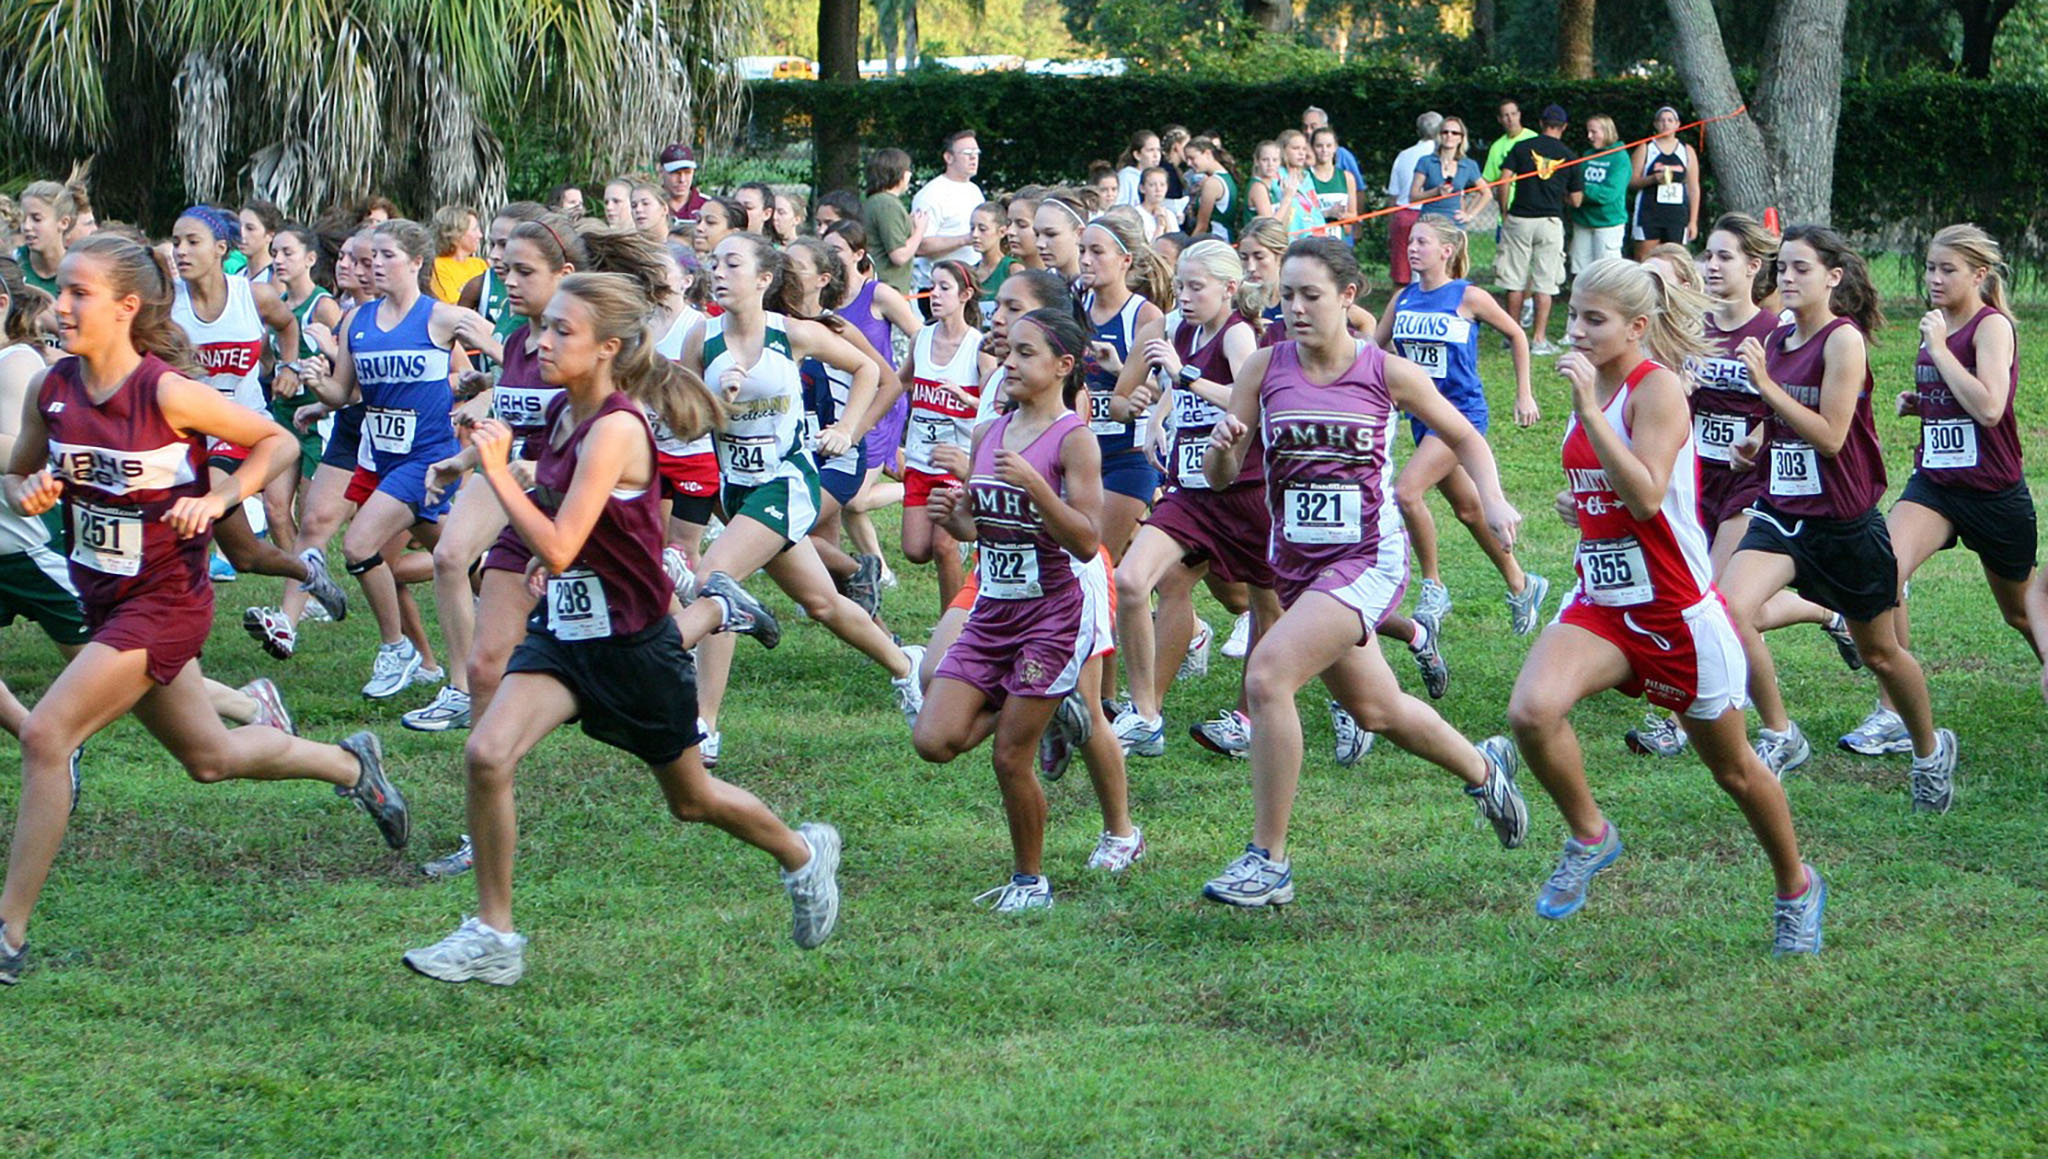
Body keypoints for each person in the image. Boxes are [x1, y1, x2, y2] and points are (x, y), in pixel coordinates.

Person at [402, 271, 839, 985]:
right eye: (545, 329)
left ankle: (802, 852)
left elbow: (560, 540)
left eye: (561, 332)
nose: (542, 341)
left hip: (634, 645)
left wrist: (497, 471)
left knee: (691, 799)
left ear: (608, 347)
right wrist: (550, 553)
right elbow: (574, 529)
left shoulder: (615, 426)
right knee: (487, 752)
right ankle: (495, 934)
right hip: (567, 634)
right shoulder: (569, 416)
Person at [0, 234, 409, 985]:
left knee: (46, 736)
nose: (58, 305)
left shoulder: (165, 391)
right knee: (210, 759)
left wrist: (220, 495)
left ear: (127, 306)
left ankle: (8, 933)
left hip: (164, 603)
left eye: (77, 293)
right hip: (105, 599)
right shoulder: (51, 388)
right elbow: (21, 465)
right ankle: (352, 765)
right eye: (60, 292)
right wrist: (27, 488)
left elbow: (277, 441)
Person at [1508, 256, 1826, 955]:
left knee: (1736, 768)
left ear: (1638, 327)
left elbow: (1649, 494)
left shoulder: (1656, 392)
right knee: (1531, 711)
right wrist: (1579, 503)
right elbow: (1608, 489)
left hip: (1675, 611)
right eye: (1574, 316)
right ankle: (1592, 835)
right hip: (1603, 601)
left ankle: (1796, 885)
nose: (1578, 331)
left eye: (1595, 319)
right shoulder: (1595, 382)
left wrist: (1591, 411)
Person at [1198, 238, 1527, 908]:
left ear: (1349, 297)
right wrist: (1222, 454)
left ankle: (1270, 860)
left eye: (1310, 294)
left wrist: (1492, 497)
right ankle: (1483, 767)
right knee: (1377, 708)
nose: (1294, 307)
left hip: (1366, 559)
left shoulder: (1386, 372)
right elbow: (1222, 474)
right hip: (1296, 564)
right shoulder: (1263, 368)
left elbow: (1463, 433)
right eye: (1286, 295)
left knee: (1266, 675)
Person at [1720, 225, 1957, 809]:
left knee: (1880, 653)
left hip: (1844, 522)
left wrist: (1766, 391)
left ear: (1833, 277)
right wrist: (1754, 440)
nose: (1788, 278)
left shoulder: (1841, 341)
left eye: (1802, 268)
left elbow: (1829, 436)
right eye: (1783, 268)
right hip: (1780, 514)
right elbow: (1781, 417)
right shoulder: (1776, 339)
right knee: (1727, 613)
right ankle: (1781, 733)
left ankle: (1929, 749)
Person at [912, 306, 1140, 911]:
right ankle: (1045, 703)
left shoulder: (1074, 439)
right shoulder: (989, 433)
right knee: (933, 740)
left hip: (1053, 614)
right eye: (1008, 351)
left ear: (1063, 366)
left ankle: (1028, 880)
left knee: (1010, 755)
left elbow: (1089, 540)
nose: (1008, 363)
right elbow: (981, 530)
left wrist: (1038, 489)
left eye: (1025, 353)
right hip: (995, 609)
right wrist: (954, 516)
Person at [673, 233, 927, 751]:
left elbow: (868, 371)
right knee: (822, 604)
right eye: (714, 263)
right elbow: (684, 422)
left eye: (732, 263)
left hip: (788, 483)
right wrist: (713, 403)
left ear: (764, 280)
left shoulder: (790, 332)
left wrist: (847, 432)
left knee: (714, 580)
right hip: (736, 491)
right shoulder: (702, 338)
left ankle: (703, 726)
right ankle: (908, 666)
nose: (718, 272)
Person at [1624, 214, 1860, 758]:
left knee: (1707, 604)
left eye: (1724, 256)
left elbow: (1795, 403)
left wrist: (1756, 434)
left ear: (1755, 267)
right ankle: (1828, 612)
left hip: (1753, 484)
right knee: (1719, 606)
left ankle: (1686, 722)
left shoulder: (1774, 331)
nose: (1711, 265)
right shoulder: (1693, 329)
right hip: (1698, 480)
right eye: (1707, 255)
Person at [1843, 225, 2033, 757]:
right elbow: (1960, 401)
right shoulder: (1940, 325)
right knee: (1883, 571)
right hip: (1935, 485)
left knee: (2020, 612)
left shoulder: (1989, 327)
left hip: (1992, 492)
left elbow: (1991, 407)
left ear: (1979, 274)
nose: (1934, 278)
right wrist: (1921, 403)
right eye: (1930, 267)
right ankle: (1894, 714)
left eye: (1946, 269)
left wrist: (1939, 350)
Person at [301, 218, 491, 699]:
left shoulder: (442, 318)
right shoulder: (357, 323)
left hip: (428, 459)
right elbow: (343, 393)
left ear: (415, 262)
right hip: (383, 457)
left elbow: (514, 359)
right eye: (369, 259)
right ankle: (525, 609)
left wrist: (484, 394)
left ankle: (396, 648)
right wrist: (313, 381)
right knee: (456, 556)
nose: (375, 267)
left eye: (386, 257)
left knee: (359, 546)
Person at [1105, 240, 1275, 759]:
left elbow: (1252, 398)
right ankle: (1145, 714)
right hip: (1190, 492)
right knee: (1134, 581)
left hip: (1246, 491)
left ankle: (1249, 720)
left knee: (1268, 607)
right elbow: (1120, 404)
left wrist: (1185, 376)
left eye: (1196, 287)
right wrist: (1139, 406)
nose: (1184, 296)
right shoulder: (1173, 333)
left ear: (1228, 288)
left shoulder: (1236, 334)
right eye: (1179, 285)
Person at [168, 206, 354, 609]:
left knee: (198, 508)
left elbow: (288, 325)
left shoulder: (253, 295)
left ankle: (175, 612)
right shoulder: (167, 303)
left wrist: (287, 365)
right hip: (187, 433)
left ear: (221, 249)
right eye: (177, 242)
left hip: (243, 428)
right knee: (246, 555)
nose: (181, 250)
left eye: (192, 242)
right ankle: (308, 572)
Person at [1378, 216, 1547, 638]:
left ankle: (1433, 585)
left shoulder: (1467, 295)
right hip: (1422, 419)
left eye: (1422, 242)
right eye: (1410, 242)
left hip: (1460, 417)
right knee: (1470, 510)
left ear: (1446, 250)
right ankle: (1522, 584)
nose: (1412, 248)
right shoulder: (1402, 299)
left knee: (1407, 492)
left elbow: (1518, 336)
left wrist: (1524, 393)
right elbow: (1371, 349)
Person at [1080, 208, 1171, 580]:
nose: (1086, 259)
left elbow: (1170, 389)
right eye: (1082, 250)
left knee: (1093, 562)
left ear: (1125, 260)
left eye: (1097, 252)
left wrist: (1121, 372)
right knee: (1109, 566)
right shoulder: (1076, 307)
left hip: (1129, 457)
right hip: (1080, 455)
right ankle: (1192, 632)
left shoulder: (1144, 315)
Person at [899, 260, 985, 611]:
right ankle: (963, 544)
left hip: (958, 461)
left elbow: (998, 405)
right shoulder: (921, 337)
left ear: (965, 295)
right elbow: (901, 381)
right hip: (921, 459)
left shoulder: (978, 346)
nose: (934, 294)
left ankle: (954, 628)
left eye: (944, 287)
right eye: (932, 286)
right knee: (915, 550)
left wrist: (968, 399)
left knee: (942, 547)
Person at [1494, 104, 1575, 355]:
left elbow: (1504, 180)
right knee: (1545, 282)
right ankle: (1539, 340)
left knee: (1515, 280)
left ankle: (1512, 335)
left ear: (1541, 123)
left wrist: (1505, 211)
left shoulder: (1521, 147)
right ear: (1564, 127)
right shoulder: (1569, 155)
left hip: (1520, 218)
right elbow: (1577, 200)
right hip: (1550, 221)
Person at [911, 131, 985, 288]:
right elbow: (921, 246)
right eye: (967, 153)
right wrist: (966, 239)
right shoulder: (930, 195)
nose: (974, 158)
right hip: (938, 287)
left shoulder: (974, 190)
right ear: (948, 157)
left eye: (976, 153)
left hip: (971, 280)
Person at [1628, 107, 1701, 256]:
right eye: (1661, 121)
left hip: (1676, 216)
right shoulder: (1646, 148)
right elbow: (1631, 182)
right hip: (1648, 214)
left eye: (1670, 120)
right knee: (1644, 259)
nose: (1665, 124)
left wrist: (1693, 221)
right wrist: (1653, 179)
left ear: (1677, 124)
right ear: (1655, 124)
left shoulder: (1686, 150)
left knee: (1675, 260)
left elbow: (1693, 188)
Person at [1384, 111, 1444, 288]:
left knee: (1402, 276)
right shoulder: (1441, 157)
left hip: (1404, 215)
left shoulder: (1404, 155)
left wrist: (1390, 226)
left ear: (1418, 131)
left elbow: (1393, 195)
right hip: (1433, 216)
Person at [1568, 115, 1630, 276]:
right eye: (1588, 132)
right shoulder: (1588, 154)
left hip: (1607, 223)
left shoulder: (1620, 158)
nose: (1589, 136)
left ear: (1607, 131)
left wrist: (1581, 192)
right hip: (1582, 221)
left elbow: (1609, 193)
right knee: (1580, 271)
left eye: (1594, 132)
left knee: (1607, 273)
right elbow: (1575, 182)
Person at [1409, 117, 1486, 228]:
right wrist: (1436, 192)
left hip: (1454, 224)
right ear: (1439, 136)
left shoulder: (1468, 165)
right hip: (1429, 223)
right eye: (1445, 132)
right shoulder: (1426, 162)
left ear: (1461, 138)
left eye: (1454, 133)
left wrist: (1469, 215)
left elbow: (1486, 193)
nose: (1449, 135)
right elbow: (1413, 197)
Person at [1247, 133, 1321, 239]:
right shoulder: (1261, 185)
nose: (1270, 164)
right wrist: (1287, 197)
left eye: (1275, 160)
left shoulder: (1304, 177)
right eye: (1265, 160)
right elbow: (1270, 225)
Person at [1482, 99, 1537, 213]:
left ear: (1519, 115)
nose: (1510, 119)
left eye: (1513, 114)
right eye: (1506, 115)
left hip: (1532, 210)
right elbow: (1487, 180)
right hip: (1506, 212)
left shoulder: (1534, 139)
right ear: (1500, 119)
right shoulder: (1496, 147)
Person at [1307, 127, 1360, 241]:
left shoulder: (1347, 177)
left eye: (1329, 146)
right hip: (1311, 242)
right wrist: (1328, 212)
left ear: (1335, 147)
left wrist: (1341, 215)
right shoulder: (1305, 177)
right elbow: (1302, 216)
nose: (1324, 150)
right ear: (1312, 148)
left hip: (1338, 242)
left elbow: (1353, 215)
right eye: (1319, 146)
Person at [1182, 137, 1239, 241]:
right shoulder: (1226, 177)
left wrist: (1185, 249)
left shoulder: (1212, 183)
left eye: (1192, 158)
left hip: (1216, 242)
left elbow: (1202, 226)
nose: (1188, 163)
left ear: (1208, 154)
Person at [426, 205, 486, 303]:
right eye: (475, 229)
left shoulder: (481, 265)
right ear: (457, 234)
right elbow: (454, 305)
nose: (480, 235)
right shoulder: (439, 266)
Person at [1299, 107, 1365, 191]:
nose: (1308, 131)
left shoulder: (1342, 154)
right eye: (1305, 127)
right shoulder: (1298, 155)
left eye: (1313, 127)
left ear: (1325, 126)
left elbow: (1359, 189)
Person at [967, 203, 1012, 323]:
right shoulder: (971, 272)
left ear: (1002, 232)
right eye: (972, 228)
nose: (975, 235)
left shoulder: (1012, 269)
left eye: (982, 229)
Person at [660, 143, 707, 228]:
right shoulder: (648, 205)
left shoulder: (708, 205)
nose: (682, 179)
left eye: (687, 172)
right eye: (675, 173)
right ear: (661, 172)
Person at [236, 199, 283, 284]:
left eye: (250, 228)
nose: (241, 234)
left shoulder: (277, 277)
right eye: (239, 226)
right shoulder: (238, 274)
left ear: (270, 236)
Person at [1114, 130, 1162, 207]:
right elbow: (1118, 207)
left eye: (1158, 150)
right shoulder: (1126, 177)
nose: (1156, 155)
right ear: (1137, 155)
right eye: (1150, 150)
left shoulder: (1159, 177)